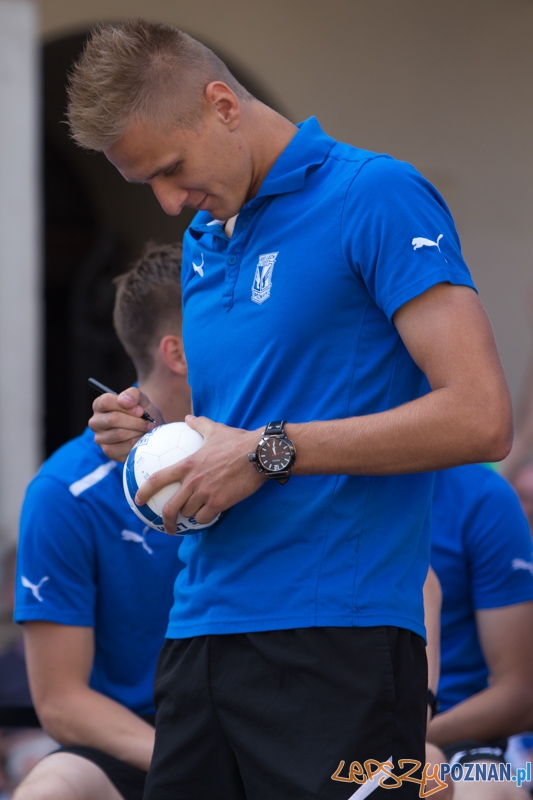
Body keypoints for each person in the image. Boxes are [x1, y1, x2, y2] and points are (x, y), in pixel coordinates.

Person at [67, 20, 512, 799]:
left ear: (222, 105)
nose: (169, 203)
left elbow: (480, 417)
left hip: (338, 639)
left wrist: (265, 450)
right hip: (199, 635)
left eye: (172, 169)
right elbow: (241, 426)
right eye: (147, 186)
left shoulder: (375, 194)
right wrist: (157, 439)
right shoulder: (205, 239)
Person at [13, 242, 190, 800]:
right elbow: (61, 702)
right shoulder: (66, 491)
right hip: (140, 746)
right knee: (50, 791)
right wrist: (190, 768)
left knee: (421, 777)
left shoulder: (270, 451)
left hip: (272, 735)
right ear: (179, 352)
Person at [428, 464, 533, 799]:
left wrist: (406, 739)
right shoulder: (311, 487)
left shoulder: (482, 496)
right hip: (325, 722)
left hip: (449, 736)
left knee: (489, 791)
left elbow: (521, 695)